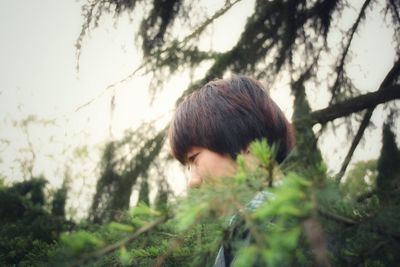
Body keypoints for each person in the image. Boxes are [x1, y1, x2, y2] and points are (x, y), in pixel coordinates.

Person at [168, 75, 295, 266]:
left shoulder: (284, 231)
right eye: (187, 167)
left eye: (194, 158)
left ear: (249, 148)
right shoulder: (242, 234)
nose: (192, 182)